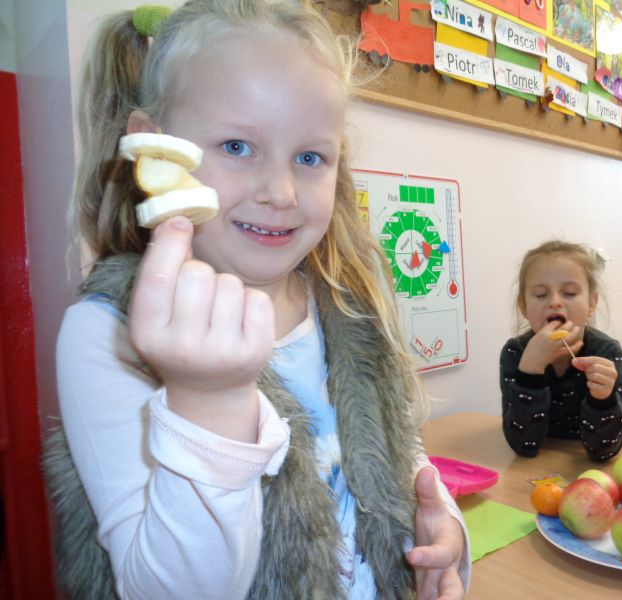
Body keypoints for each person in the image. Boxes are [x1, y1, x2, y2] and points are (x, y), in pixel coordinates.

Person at [44, 1, 469, 598]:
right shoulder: (106, 334)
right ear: (155, 151)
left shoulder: (347, 300)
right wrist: (207, 405)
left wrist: (443, 528)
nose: (281, 192)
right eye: (238, 147)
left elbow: (398, 448)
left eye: (309, 157)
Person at [499, 241, 622, 462]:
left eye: (569, 293)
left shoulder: (606, 352)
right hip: (532, 470)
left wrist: (603, 400)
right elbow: (523, 446)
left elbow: (604, 451)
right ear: (523, 307)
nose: (555, 302)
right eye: (541, 294)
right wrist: (530, 371)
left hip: (583, 468)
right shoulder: (516, 352)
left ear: (591, 303)